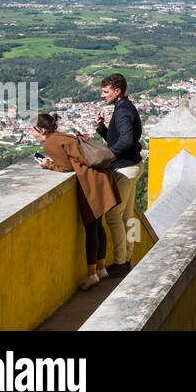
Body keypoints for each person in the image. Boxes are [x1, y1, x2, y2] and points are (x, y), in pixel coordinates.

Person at [30, 112, 118, 291]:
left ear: (42, 130)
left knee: (91, 227)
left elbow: (66, 167)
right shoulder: (61, 136)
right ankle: (101, 269)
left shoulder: (50, 143)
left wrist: (47, 164)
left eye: (33, 130)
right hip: (100, 178)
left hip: (90, 183)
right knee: (98, 225)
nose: (31, 133)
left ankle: (92, 274)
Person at [93, 72, 142, 277]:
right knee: (129, 216)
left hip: (124, 169)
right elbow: (121, 138)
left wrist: (107, 156)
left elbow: (126, 141)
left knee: (113, 216)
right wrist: (102, 129)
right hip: (135, 166)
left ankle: (121, 262)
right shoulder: (125, 107)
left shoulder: (122, 111)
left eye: (105, 92)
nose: (102, 96)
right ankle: (129, 257)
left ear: (117, 91)